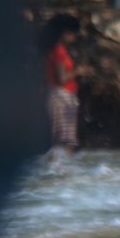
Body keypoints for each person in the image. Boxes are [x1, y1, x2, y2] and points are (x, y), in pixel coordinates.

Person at [42, 14, 82, 151]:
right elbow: (62, 78)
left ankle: (57, 169)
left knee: (58, 140)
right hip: (61, 95)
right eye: (72, 33)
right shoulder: (58, 50)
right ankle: (62, 170)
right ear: (64, 32)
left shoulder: (51, 49)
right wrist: (78, 71)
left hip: (54, 94)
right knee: (65, 141)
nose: (74, 37)